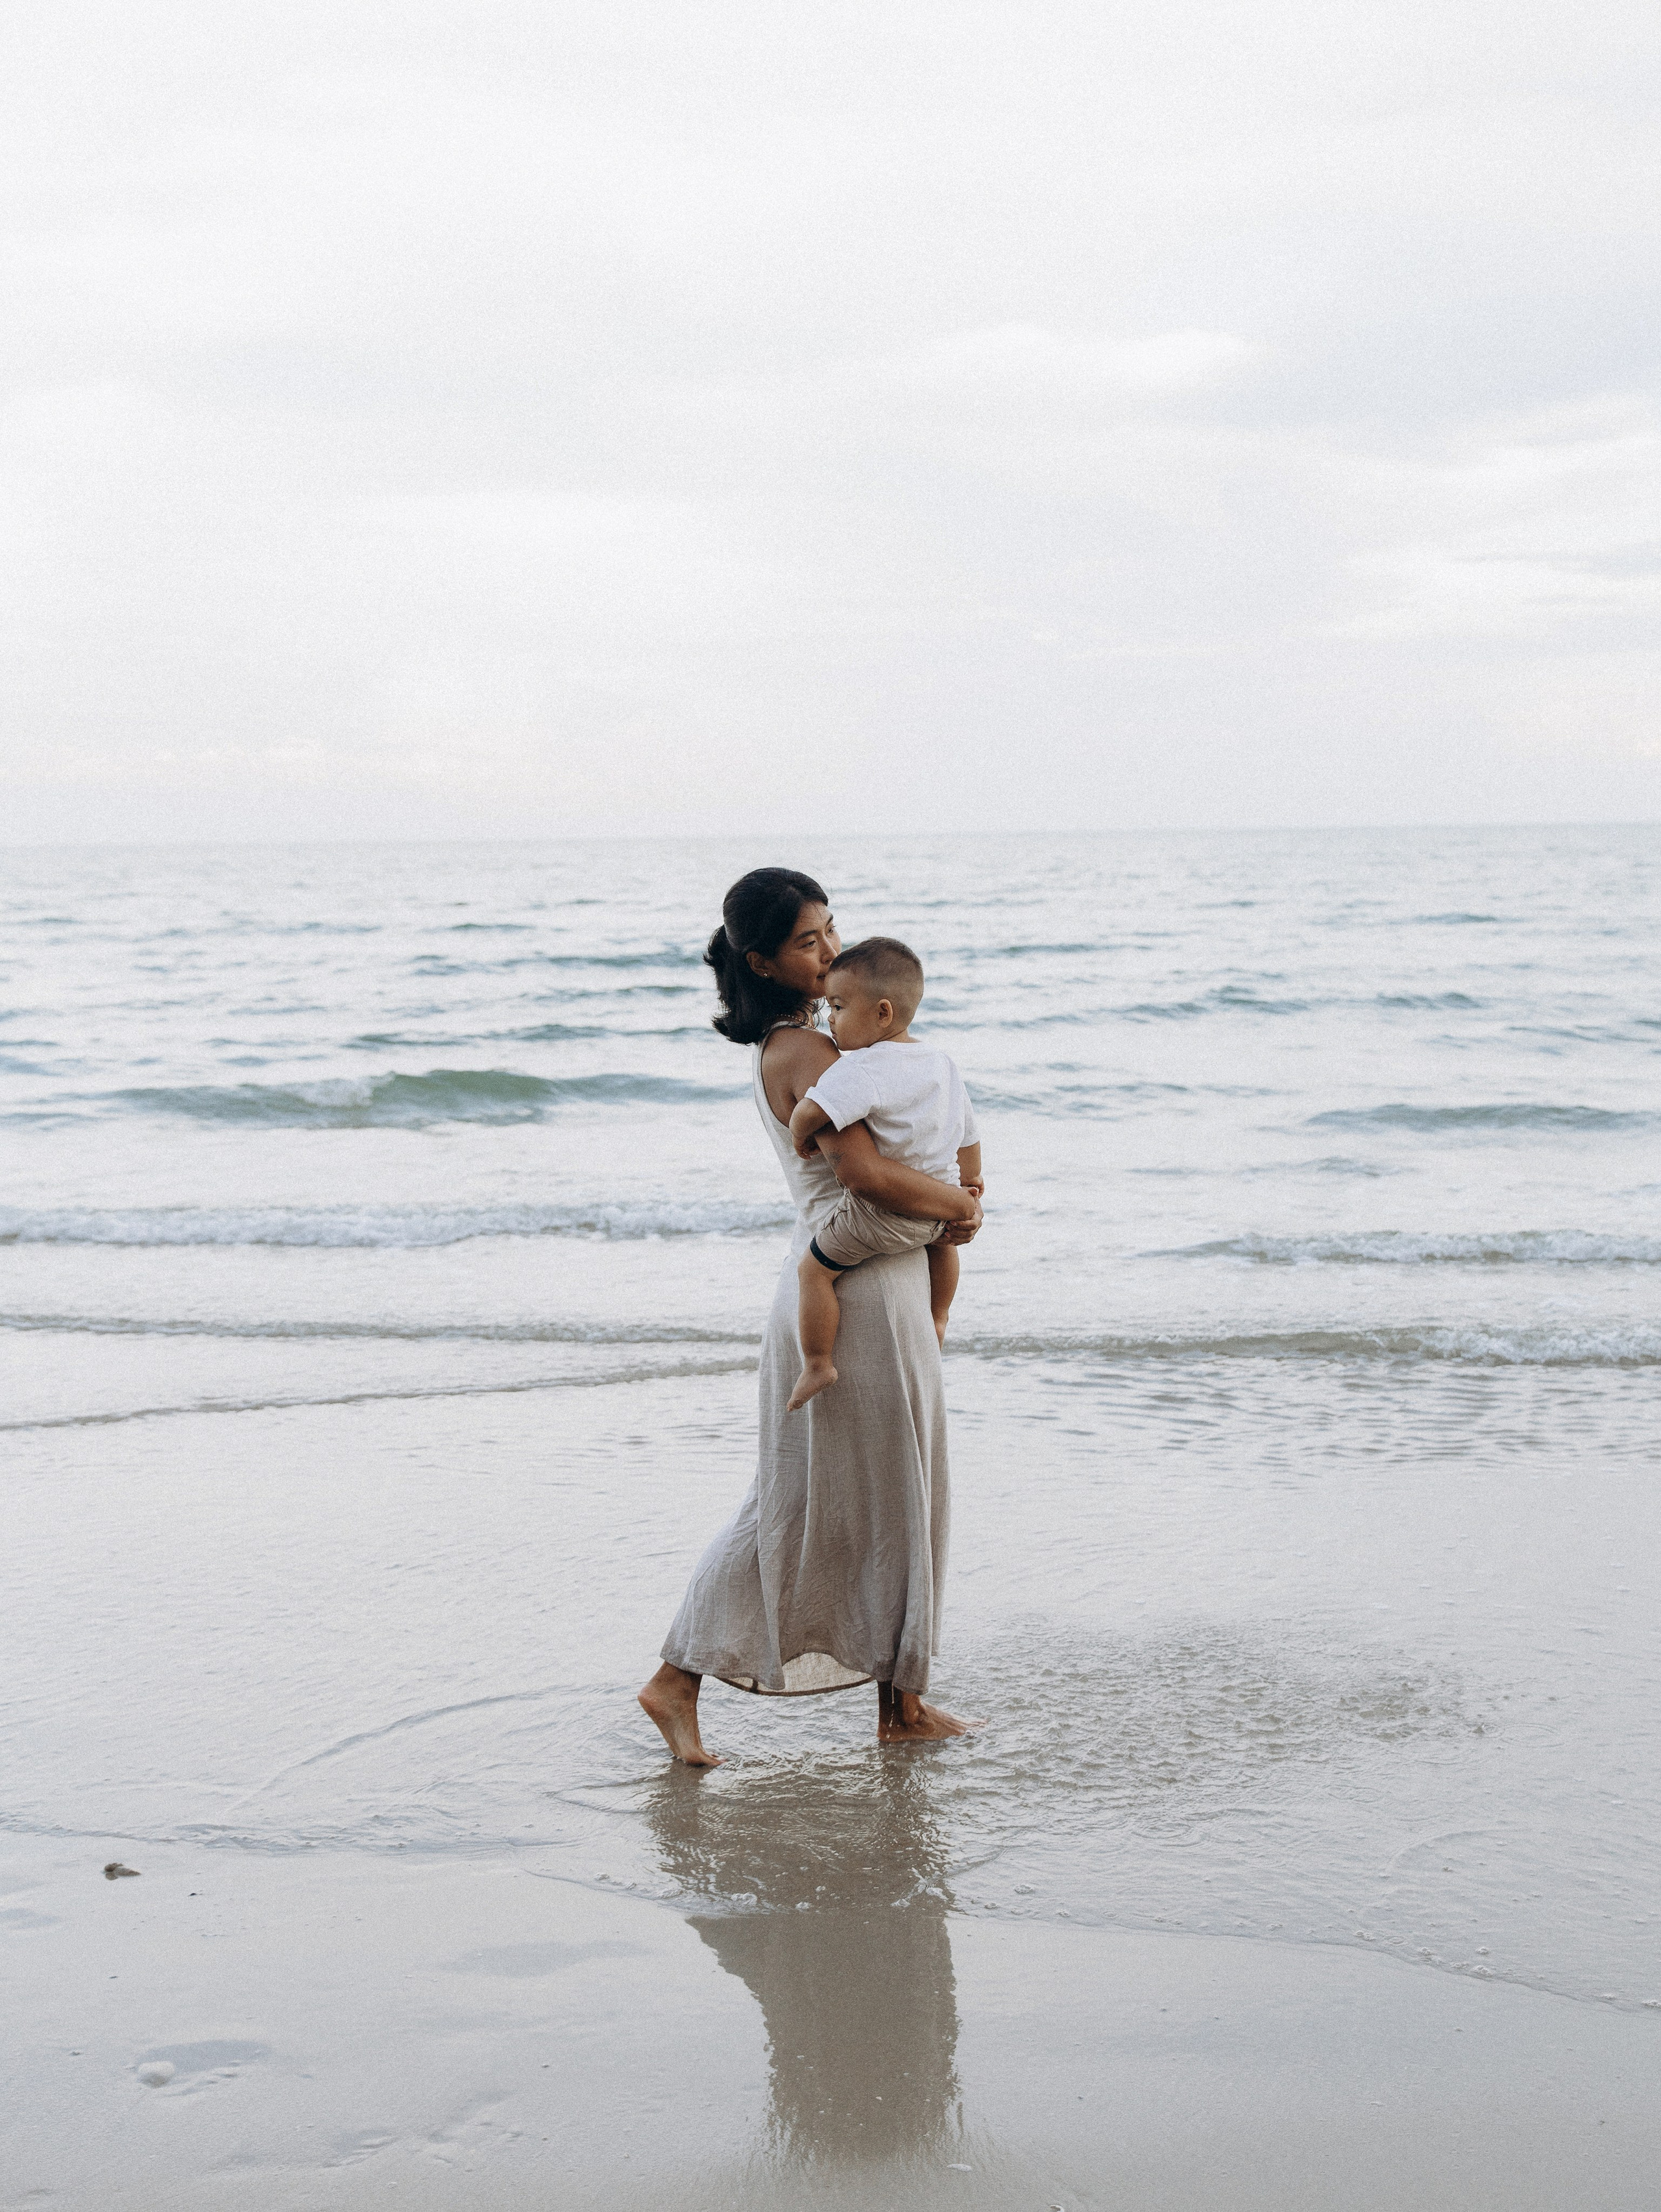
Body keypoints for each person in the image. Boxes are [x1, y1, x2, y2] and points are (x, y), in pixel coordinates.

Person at [638, 867, 982, 1766]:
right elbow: (867, 1176)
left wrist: (952, 1200)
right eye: (807, 941)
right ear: (762, 959)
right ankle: (688, 1680)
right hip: (856, 1291)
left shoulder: (824, 1048)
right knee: (818, 1501)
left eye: (832, 931)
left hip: (876, 1280)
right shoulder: (809, 1054)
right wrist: (959, 1202)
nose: (830, 952)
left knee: (869, 1499)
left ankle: (897, 1700)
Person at [784, 935, 982, 1411]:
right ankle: (938, 1317)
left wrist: (799, 1133)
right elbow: (968, 1135)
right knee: (943, 1247)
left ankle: (817, 1363)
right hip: (939, 1212)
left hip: (882, 1217)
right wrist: (972, 1185)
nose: (829, 1018)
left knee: (813, 1272)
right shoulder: (942, 1064)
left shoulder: (863, 1068)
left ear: (883, 1013)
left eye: (838, 1006)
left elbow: (813, 1110)